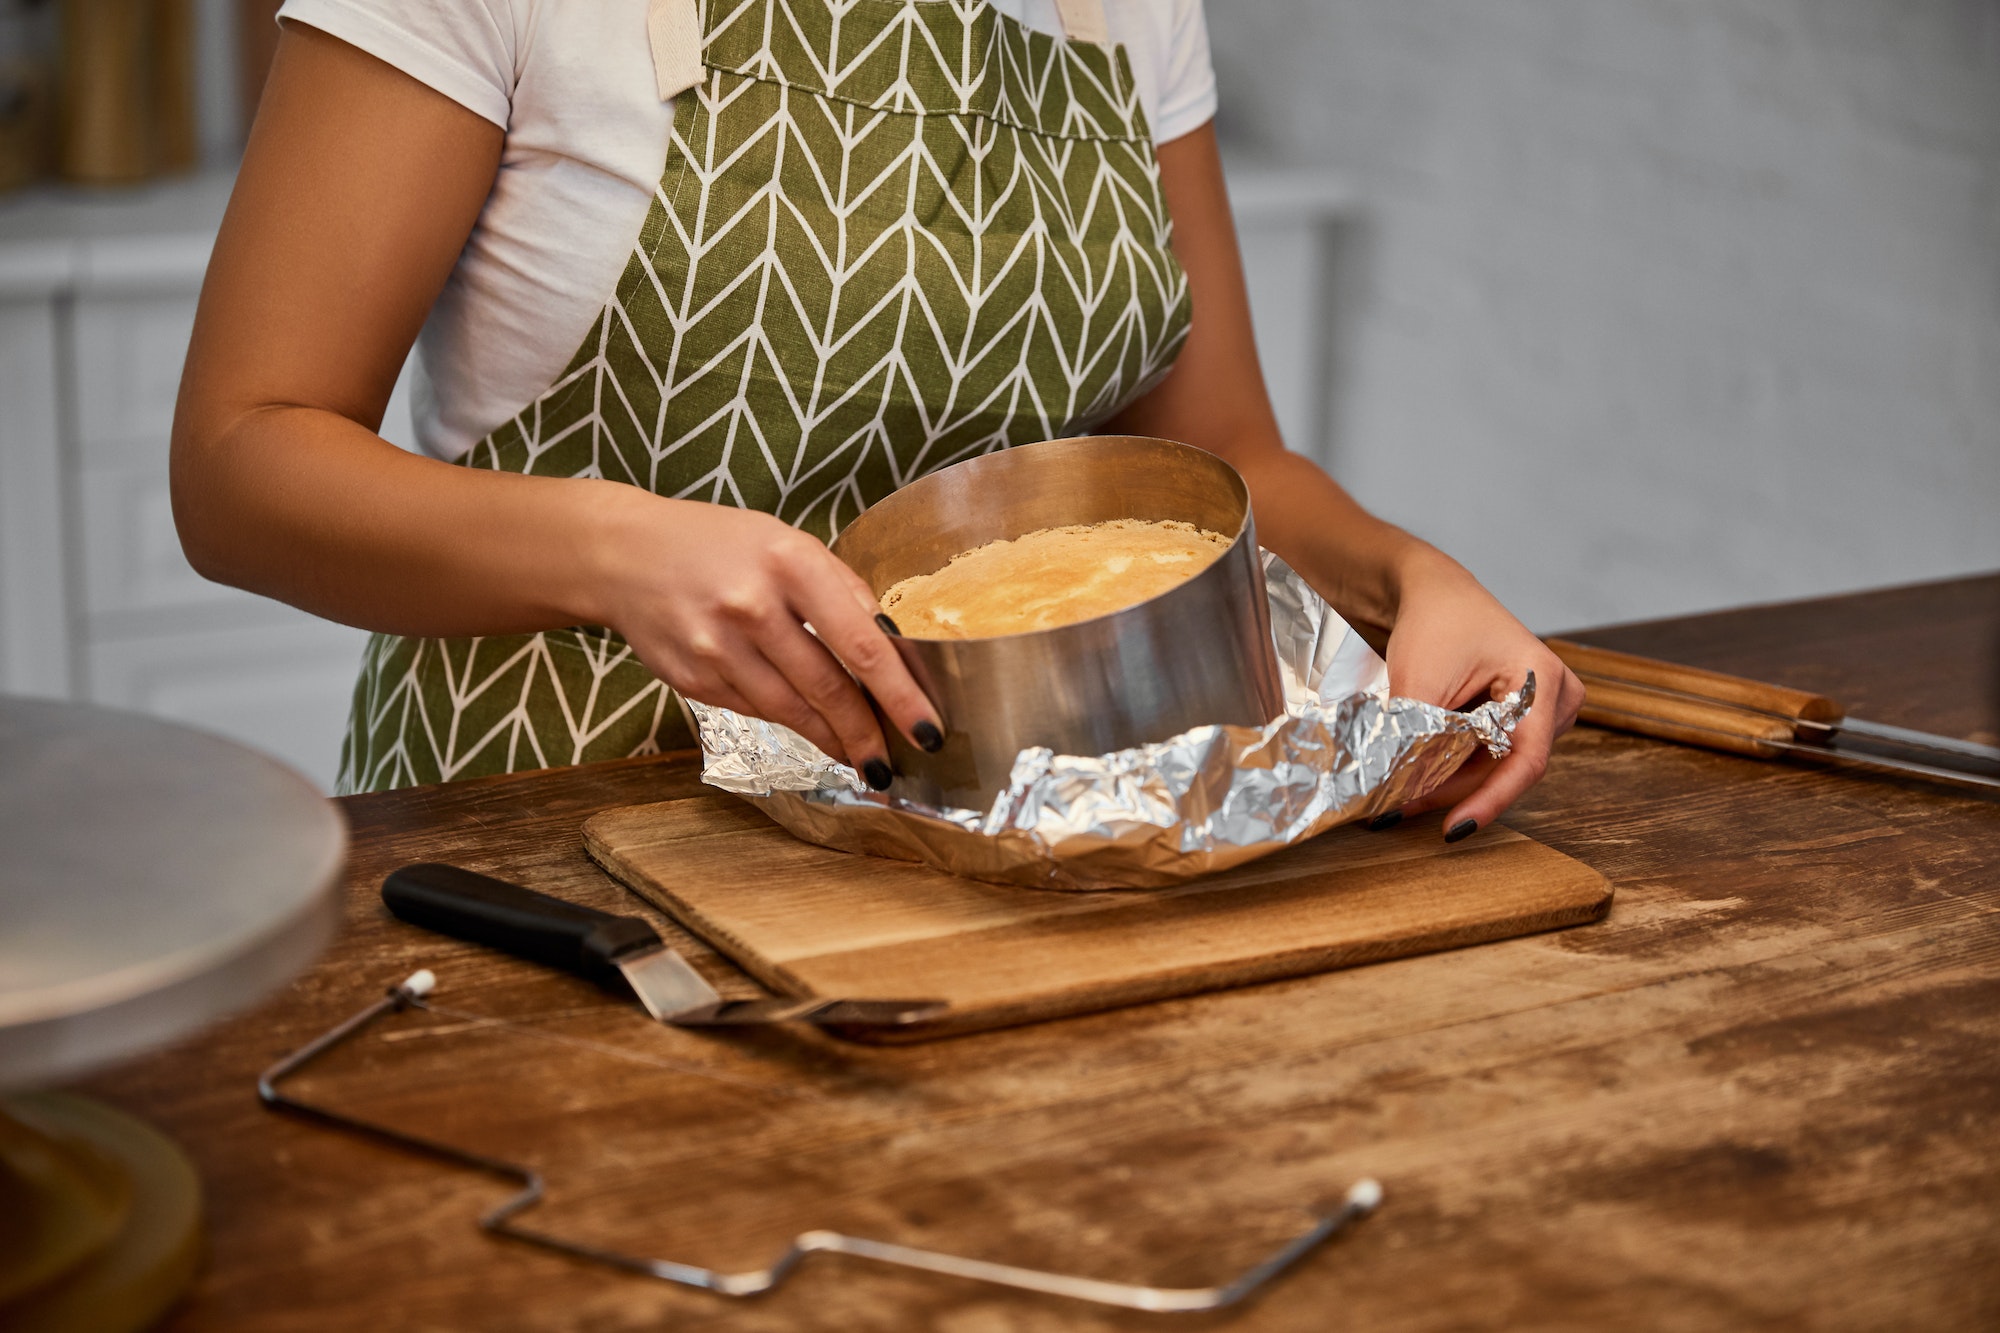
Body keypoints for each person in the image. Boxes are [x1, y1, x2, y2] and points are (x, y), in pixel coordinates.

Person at [171, 0, 1582, 839]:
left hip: (1005, 847)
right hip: (556, 838)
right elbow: (241, 458)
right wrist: (619, 553)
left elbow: (1225, 462)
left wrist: (1414, 582)